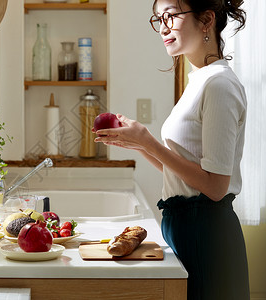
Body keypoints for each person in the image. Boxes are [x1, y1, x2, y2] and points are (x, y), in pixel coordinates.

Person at [94, 0, 249, 299]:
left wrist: (150, 142)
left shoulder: (219, 85)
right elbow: (185, 173)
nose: (163, 27)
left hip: (207, 236)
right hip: (187, 230)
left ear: (206, 20)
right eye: (158, 19)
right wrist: (139, 144)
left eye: (171, 16)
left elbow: (215, 187)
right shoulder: (199, 81)